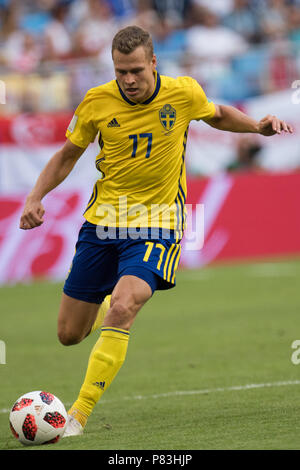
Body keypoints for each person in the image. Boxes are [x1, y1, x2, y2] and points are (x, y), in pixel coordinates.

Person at [19, 25, 293, 437]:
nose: (128, 80)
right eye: (120, 72)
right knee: (68, 334)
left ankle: (76, 416)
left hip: (157, 225)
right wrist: (35, 197)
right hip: (103, 225)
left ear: (153, 63)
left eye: (135, 71)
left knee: (125, 307)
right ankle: (112, 297)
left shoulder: (182, 93)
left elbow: (216, 114)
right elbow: (67, 154)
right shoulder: (96, 101)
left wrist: (257, 127)